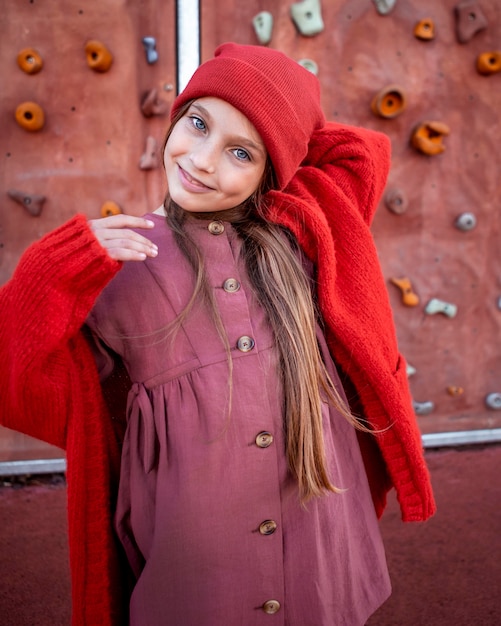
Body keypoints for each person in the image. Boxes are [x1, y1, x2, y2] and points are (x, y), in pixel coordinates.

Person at [0, 42, 435, 625]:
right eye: (197, 123)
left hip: (316, 550)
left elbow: (360, 154)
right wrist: (54, 269)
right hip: (196, 563)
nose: (203, 161)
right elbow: (17, 382)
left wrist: (292, 126)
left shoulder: (305, 241)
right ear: (176, 117)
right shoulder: (117, 270)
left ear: (270, 173)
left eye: (240, 152)